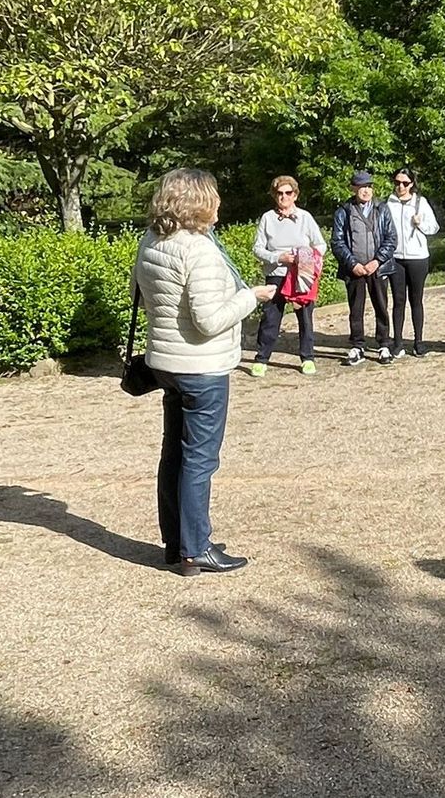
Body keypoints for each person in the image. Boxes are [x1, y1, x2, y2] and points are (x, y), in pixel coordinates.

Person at [134, 168, 276, 575]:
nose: (219, 205)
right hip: (202, 367)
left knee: (174, 454)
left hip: (164, 363)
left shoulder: (151, 241)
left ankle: (177, 541)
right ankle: (195, 548)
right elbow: (210, 321)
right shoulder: (200, 250)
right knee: (199, 460)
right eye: (213, 197)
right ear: (198, 203)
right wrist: (251, 296)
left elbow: (141, 297)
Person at [248, 175, 326, 377]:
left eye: (288, 193)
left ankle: (307, 358)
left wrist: (307, 258)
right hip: (276, 274)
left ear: (295, 195)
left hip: (302, 274)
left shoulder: (305, 217)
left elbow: (320, 244)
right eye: (280, 193)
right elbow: (257, 249)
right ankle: (262, 358)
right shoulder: (267, 218)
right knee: (270, 317)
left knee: (305, 317)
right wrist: (278, 257)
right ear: (275, 195)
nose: (284, 197)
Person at [330, 170, 398, 366]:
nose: (366, 191)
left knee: (381, 306)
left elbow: (391, 238)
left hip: (378, 267)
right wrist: (352, 264)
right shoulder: (343, 211)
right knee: (355, 308)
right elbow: (338, 242)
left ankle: (384, 343)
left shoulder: (382, 209)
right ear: (354, 189)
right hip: (355, 268)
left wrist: (377, 261)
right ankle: (357, 345)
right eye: (361, 187)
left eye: (368, 186)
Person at [384, 167, 440, 358]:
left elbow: (434, 227)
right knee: (398, 300)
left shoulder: (420, 203)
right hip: (396, 257)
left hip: (417, 258)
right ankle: (397, 342)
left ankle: (418, 341)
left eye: (405, 183)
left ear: (412, 184)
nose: (401, 186)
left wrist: (420, 223)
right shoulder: (388, 204)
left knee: (416, 300)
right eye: (397, 182)